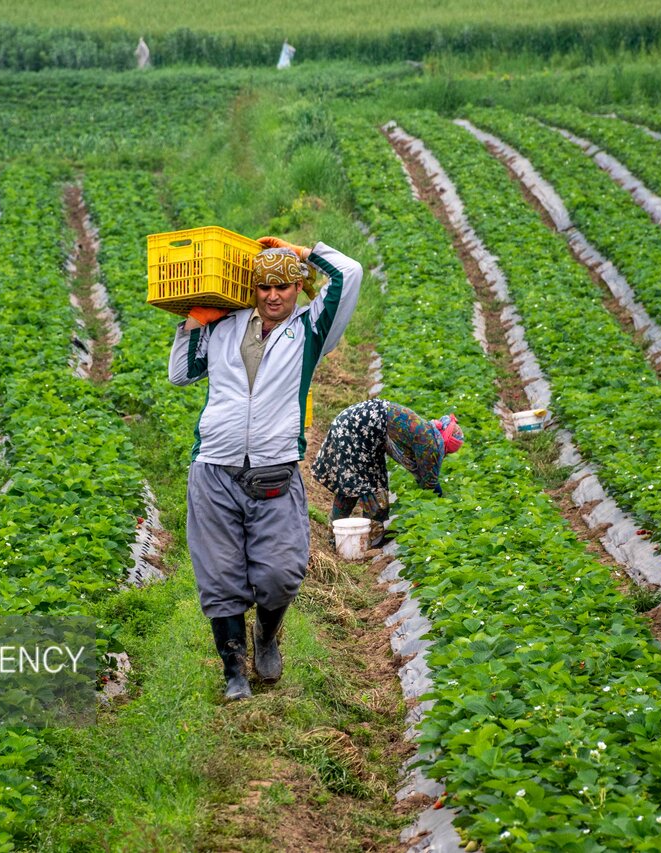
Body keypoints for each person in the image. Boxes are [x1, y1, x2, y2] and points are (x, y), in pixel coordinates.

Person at [168, 235, 362, 701]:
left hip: (274, 472)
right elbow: (181, 373)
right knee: (220, 578)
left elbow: (349, 273)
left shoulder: (310, 329)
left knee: (280, 574)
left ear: (298, 289)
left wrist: (302, 251)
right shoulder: (226, 326)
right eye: (263, 287)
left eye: (284, 286)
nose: (274, 296)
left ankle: (267, 635)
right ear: (251, 289)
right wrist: (195, 321)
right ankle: (234, 672)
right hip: (214, 467)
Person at [311, 399, 463, 544]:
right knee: (367, 485)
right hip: (356, 431)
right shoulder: (429, 442)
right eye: (447, 451)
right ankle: (369, 537)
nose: (444, 454)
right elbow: (429, 482)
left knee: (353, 484)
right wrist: (441, 501)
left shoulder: (425, 430)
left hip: (355, 426)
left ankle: (338, 536)